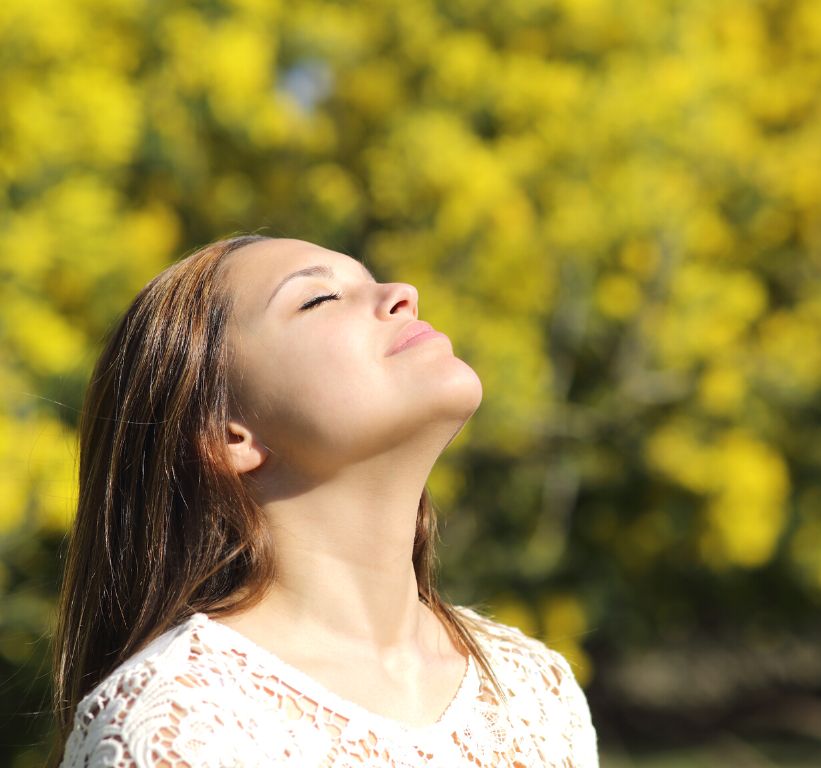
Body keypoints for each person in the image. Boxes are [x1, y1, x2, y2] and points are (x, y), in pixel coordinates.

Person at [49, 234, 600, 767]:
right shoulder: (177, 722)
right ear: (228, 435)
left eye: (372, 280)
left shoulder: (535, 690)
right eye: (320, 298)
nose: (402, 292)